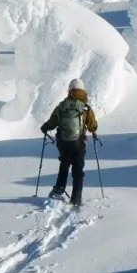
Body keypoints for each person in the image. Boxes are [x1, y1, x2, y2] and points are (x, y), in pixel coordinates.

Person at [40, 78, 98, 206]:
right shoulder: (85, 108)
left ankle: (59, 188)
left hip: (63, 142)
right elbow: (93, 126)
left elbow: (52, 122)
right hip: (79, 143)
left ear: (70, 90)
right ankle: (76, 198)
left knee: (65, 163)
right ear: (82, 90)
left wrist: (45, 127)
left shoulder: (61, 106)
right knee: (78, 169)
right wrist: (93, 129)